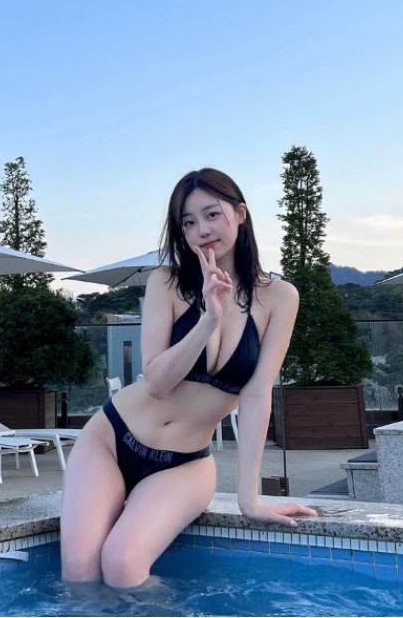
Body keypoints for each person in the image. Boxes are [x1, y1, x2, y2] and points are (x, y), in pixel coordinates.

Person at [61, 166, 310, 590]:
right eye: (188, 222)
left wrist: (249, 498)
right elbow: (156, 383)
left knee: (122, 564)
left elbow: (256, 396)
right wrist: (208, 319)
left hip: (184, 464)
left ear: (240, 214)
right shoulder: (166, 282)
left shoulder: (279, 298)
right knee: (81, 571)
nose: (202, 230)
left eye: (212, 215)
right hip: (112, 439)